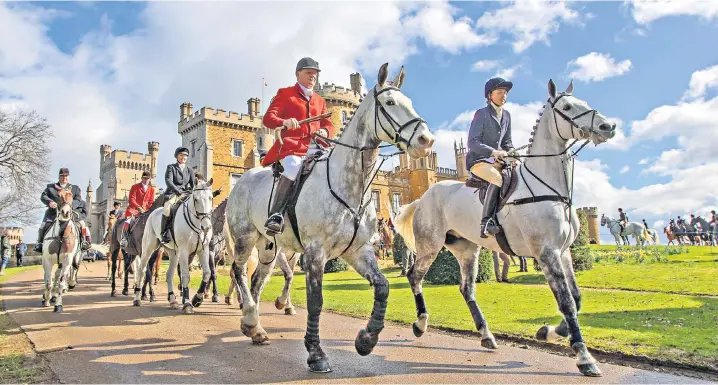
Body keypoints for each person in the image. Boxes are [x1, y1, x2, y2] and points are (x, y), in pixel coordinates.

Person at [260, 57, 337, 235]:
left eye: (315, 74)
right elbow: (268, 119)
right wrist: (284, 121)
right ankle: (276, 215)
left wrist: (326, 132)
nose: (313, 76)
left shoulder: (320, 100)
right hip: (292, 147)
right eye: (309, 72)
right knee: (294, 166)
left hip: (318, 146)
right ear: (298, 74)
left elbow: (329, 124)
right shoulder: (285, 94)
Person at [466, 77, 516, 238]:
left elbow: (507, 141)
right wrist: (493, 152)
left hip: (498, 161)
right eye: (500, 92)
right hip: (479, 161)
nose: (504, 96)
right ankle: (486, 222)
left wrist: (512, 151)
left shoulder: (507, 115)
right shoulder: (481, 114)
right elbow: (472, 142)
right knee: (497, 179)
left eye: (505, 93)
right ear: (490, 95)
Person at [33, 168, 91, 253]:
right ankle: (40, 243)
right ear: (59, 177)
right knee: (43, 225)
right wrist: (50, 202)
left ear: (69, 177)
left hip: (70, 212)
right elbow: (43, 196)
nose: (64, 177)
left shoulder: (75, 188)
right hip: (53, 212)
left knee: (83, 225)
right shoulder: (50, 187)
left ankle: (85, 242)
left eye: (66, 176)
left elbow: (78, 200)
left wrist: (68, 206)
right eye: (62, 176)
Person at [160, 147, 195, 244]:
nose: (183, 157)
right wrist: (177, 191)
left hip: (186, 193)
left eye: (185, 155)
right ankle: (164, 233)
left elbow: (193, 184)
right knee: (167, 208)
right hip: (173, 193)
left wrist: (193, 192)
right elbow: (168, 181)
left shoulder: (189, 170)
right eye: (181, 155)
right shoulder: (171, 167)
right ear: (177, 156)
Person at [120, 170, 156, 247]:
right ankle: (124, 239)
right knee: (128, 221)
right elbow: (131, 199)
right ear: (142, 178)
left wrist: (146, 209)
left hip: (145, 211)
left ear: (150, 179)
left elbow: (151, 201)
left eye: (147, 179)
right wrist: (139, 207)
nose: (146, 180)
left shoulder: (152, 190)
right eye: (144, 178)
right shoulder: (135, 187)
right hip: (133, 210)